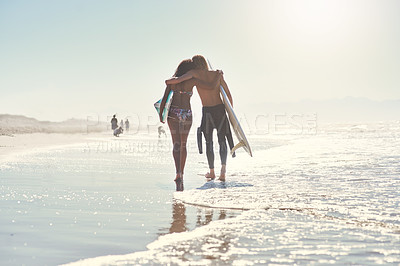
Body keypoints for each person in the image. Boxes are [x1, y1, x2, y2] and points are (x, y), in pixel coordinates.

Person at [165, 55, 233, 182]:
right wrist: (230, 112)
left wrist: (168, 82)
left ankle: (212, 172)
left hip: (207, 111)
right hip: (220, 109)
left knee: (209, 142)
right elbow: (227, 93)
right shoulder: (216, 74)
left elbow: (179, 79)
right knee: (222, 140)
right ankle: (223, 171)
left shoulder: (194, 74)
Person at [159, 59, 221, 191]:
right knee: (183, 144)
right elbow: (210, 86)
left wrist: (161, 116)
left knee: (176, 144)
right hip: (186, 113)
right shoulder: (192, 80)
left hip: (173, 113)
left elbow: (164, 99)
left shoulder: (172, 81)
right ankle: (182, 172)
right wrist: (218, 76)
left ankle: (178, 173)